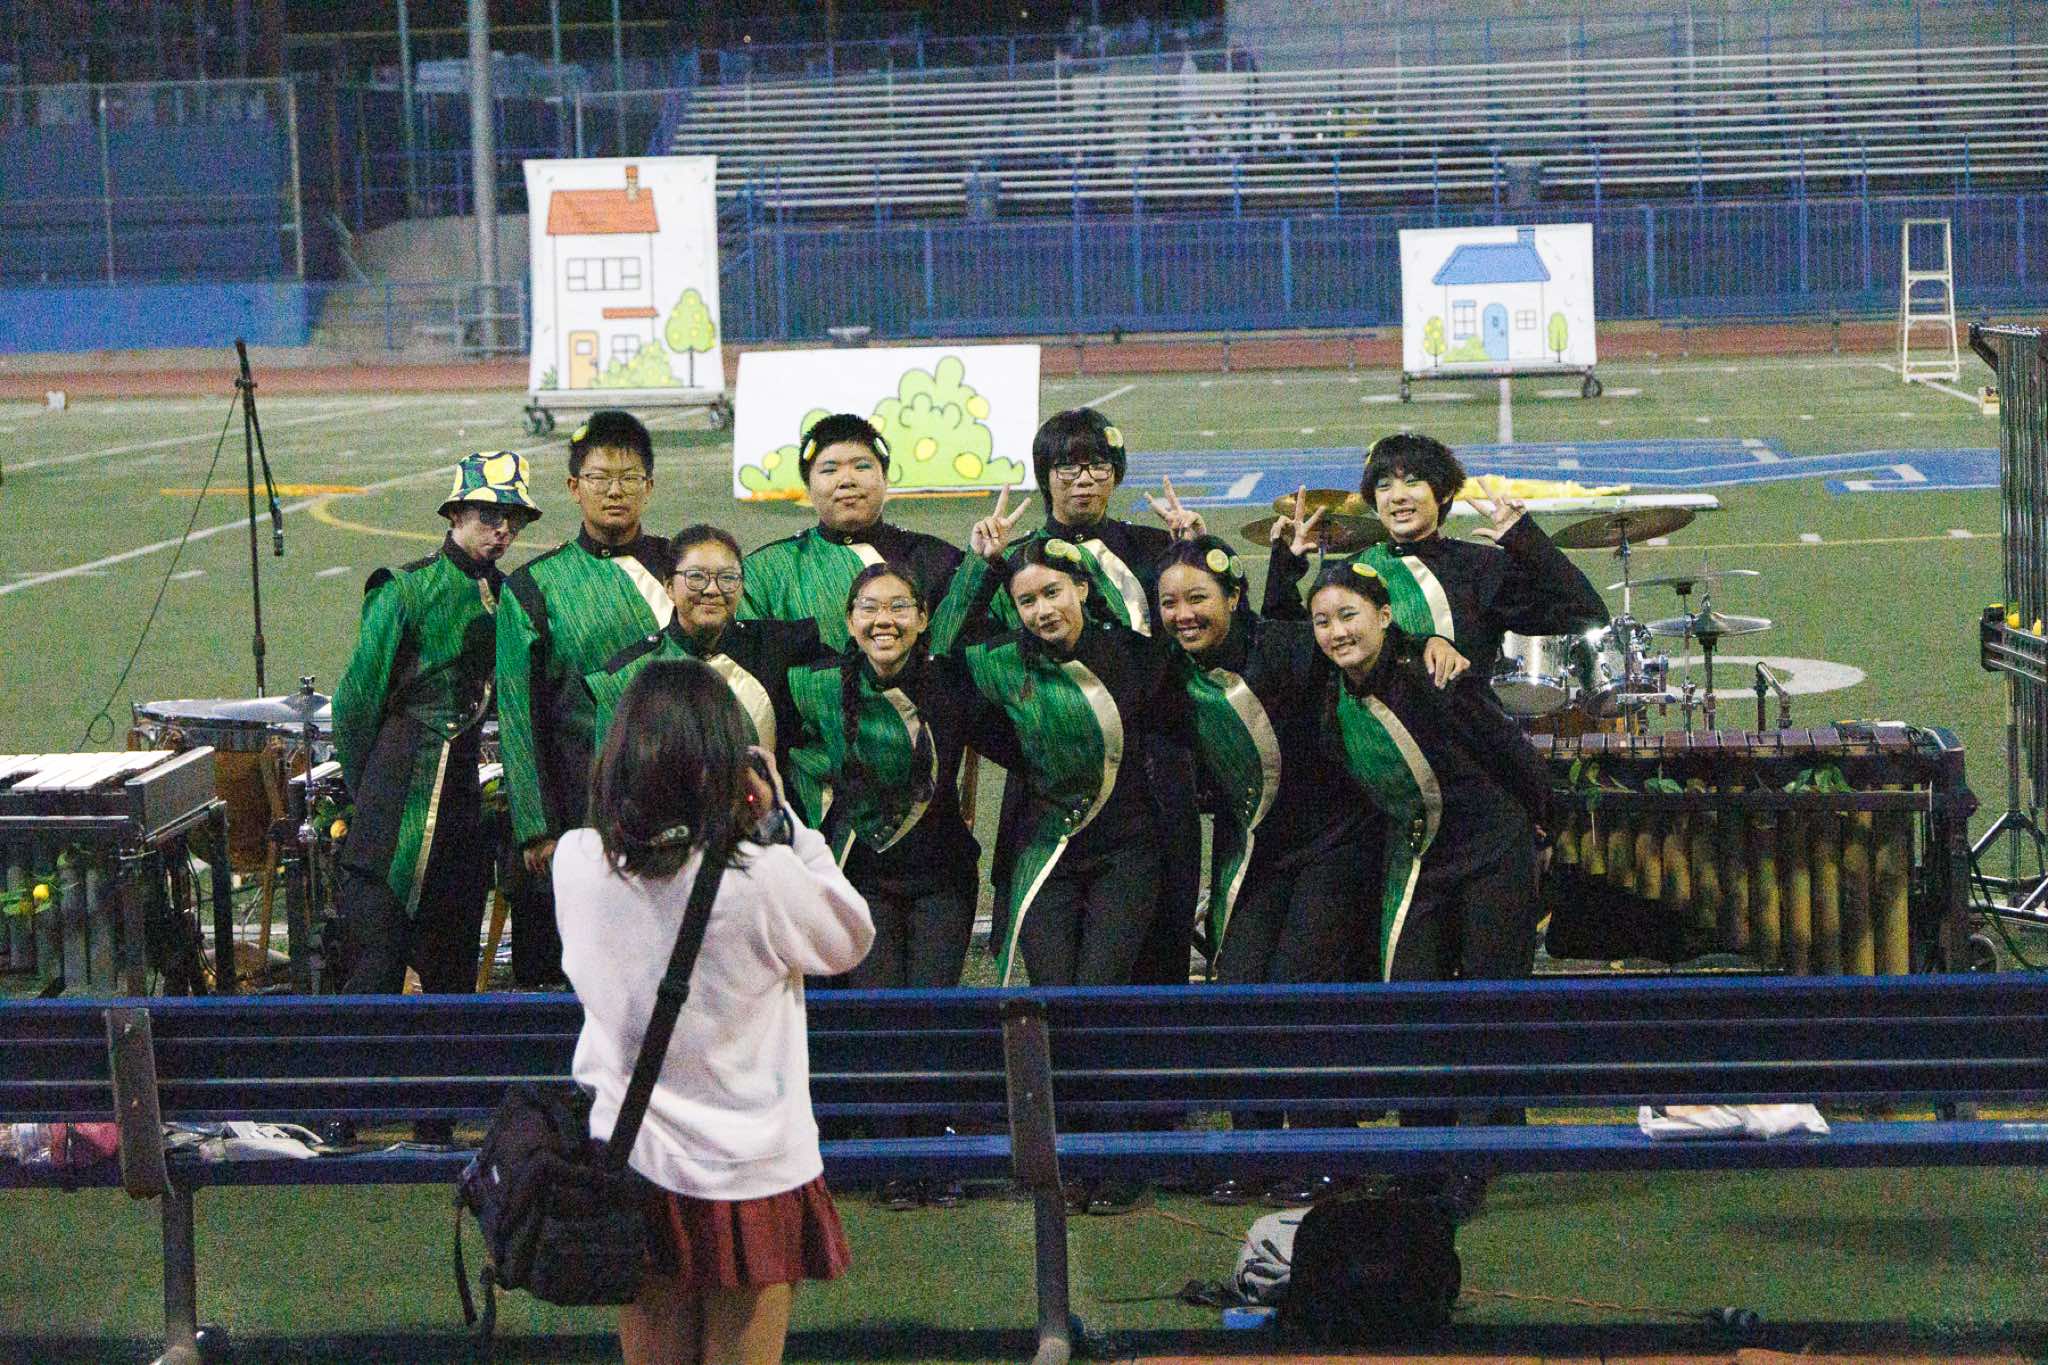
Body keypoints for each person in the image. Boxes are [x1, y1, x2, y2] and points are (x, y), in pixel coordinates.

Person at [555, 659, 873, 1365]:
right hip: (750, 1166)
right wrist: (783, 821)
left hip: (631, 1154)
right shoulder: (762, 879)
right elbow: (851, 935)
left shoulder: (576, 862)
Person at [786, 557, 1018, 1209]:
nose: (883, 620)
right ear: (849, 621)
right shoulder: (815, 684)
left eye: (898, 608)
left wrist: (983, 562)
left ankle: (934, 1155)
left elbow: (1016, 730)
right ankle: (893, 1155)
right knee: (882, 1017)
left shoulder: (951, 682)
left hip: (943, 879)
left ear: (922, 619)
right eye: (869, 608)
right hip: (866, 881)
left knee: (932, 1015)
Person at [998, 407, 1206, 987]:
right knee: (1058, 976)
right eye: (1067, 467)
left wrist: (1195, 553)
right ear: (1046, 477)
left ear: (1115, 474)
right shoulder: (1020, 562)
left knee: (1158, 953)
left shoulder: (1155, 549)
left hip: (1155, 772)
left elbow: (1206, 635)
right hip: (1055, 774)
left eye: (1097, 466)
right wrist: (983, 565)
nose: (1083, 479)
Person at [332, 450, 540, 999]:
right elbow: (354, 705)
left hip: (462, 812)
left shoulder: (512, 597)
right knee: (374, 972)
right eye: (490, 516)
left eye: (514, 519)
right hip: (393, 799)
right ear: (455, 514)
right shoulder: (404, 589)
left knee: (453, 975)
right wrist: (371, 795)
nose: (503, 530)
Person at [496, 410, 673, 986]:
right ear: (574, 487)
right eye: (599, 478)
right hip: (575, 807)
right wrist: (536, 829)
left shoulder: (683, 569)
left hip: (672, 804)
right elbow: (517, 716)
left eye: (629, 477)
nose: (614, 491)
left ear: (649, 486)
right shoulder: (533, 585)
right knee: (570, 983)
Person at [1266, 433, 1607, 679]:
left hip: (1459, 741)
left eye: (1412, 482)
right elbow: (1290, 653)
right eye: (1384, 486)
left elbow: (1586, 614)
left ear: (1443, 493)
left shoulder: (1481, 567)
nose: (1397, 496)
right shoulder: (1350, 572)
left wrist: (1526, 540)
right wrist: (1285, 567)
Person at [593, 524, 824, 765]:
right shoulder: (631, 674)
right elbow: (614, 775)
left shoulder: (783, 647)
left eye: (727, 578)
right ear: (669, 587)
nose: (712, 589)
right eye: (696, 577)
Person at [739, 414, 965, 650]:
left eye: (861, 466)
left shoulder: (938, 559)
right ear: (808, 488)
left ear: (885, 479)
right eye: (829, 470)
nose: (847, 480)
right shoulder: (764, 571)